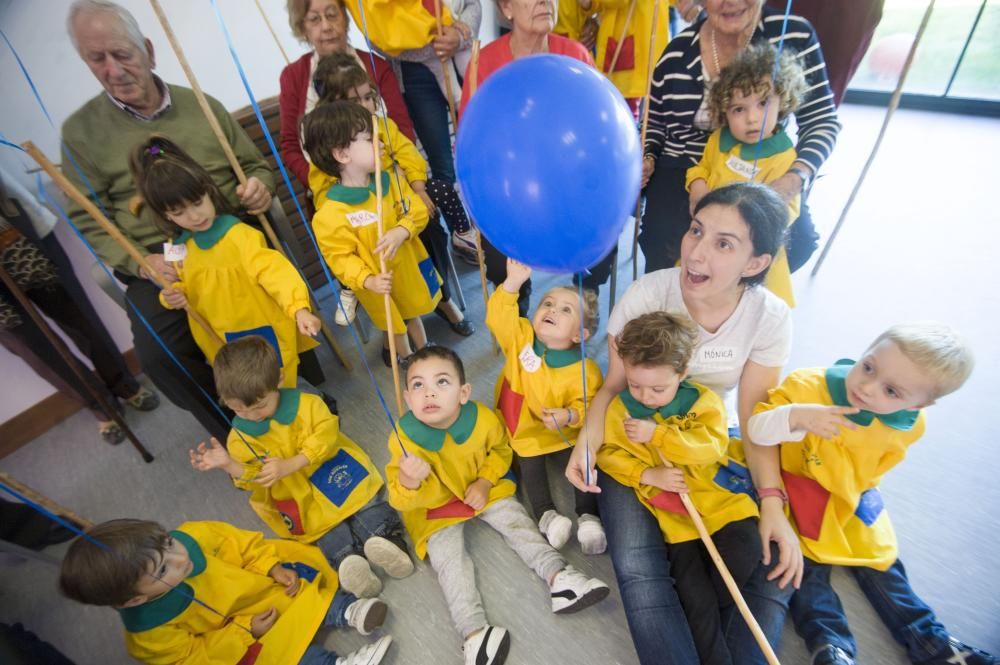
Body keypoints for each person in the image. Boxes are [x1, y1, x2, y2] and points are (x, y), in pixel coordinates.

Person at [565, 182, 799, 665]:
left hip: (707, 438)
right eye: (697, 230)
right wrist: (586, 444)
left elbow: (754, 417)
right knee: (638, 565)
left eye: (723, 243)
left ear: (756, 264)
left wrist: (773, 502)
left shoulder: (769, 317)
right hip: (633, 440)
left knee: (768, 560)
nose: (695, 251)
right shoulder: (647, 293)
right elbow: (612, 387)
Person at [62, 0, 276, 441]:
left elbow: (255, 166)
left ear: (149, 50)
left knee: (268, 300)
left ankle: (289, 398)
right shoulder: (80, 133)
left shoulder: (200, 103)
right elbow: (89, 217)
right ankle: (237, 430)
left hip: (228, 234)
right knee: (162, 355)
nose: (113, 69)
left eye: (122, 54)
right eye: (96, 58)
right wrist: (139, 261)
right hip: (160, 260)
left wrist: (258, 185)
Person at [746, 323, 997, 665]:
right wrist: (797, 417)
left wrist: (857, 497)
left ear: (923, 404)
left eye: (892, 391)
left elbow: (877, 467)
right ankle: (832, 647)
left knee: (883, 567)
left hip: (849, 499)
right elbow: (756, 431)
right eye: (868, 367)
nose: (866, 387)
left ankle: (933, 643)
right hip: (795, 493)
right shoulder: (806, 387)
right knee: (803, 574)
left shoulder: (909, 425)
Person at [385, 345, 610, 665]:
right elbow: (397, 497)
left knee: (517, 524)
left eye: (442, 382)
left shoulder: (483, 418)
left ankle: (559, 577)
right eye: (418, 385)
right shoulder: (402, 439)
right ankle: (473, 633)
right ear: (408, 398)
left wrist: (485, 481)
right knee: (451, 564)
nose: (429, 393)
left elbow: (501, 451)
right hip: (433, 509)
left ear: (464, 392)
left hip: (484, 488)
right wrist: (409, 481)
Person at [189, 336, 413, 600]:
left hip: (332, 470)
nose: (252, 415)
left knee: (367, 505)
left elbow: (326, 435)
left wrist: (293, 463)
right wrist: (229, 465)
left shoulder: (307, 404)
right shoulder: (240, 437)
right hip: (298, 497)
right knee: (326, 535)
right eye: (239, 410)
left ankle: (388, 542)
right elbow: (252, 478)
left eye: (260, 406)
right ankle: (349, 564)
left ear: (280, 380)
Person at [597, 311, 761, 665]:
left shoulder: (703, 402)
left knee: (747, 551)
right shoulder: (620, 410)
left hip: (722, 504)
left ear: (682, 373)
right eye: (635, 384)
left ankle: (702, 614)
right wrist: (646, 474)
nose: (645, 396)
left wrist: (659, 434)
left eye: (658, 388)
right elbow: (608, 456)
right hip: (678, 522)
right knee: (696, 598)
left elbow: (711, 448)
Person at [641, 0, 840, 275]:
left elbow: (822, 121)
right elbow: (653, 123)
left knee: (795, 244)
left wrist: (793, 179)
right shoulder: (676, 53)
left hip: (761, 166)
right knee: (667, 244)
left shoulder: (791, 34)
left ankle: (739, 307)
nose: (731, 2)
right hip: (686, 165)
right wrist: (648, 155)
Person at [59, 518, 393, 665]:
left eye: (168, 542)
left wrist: (271, 568)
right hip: (240, 637)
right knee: (275, 658)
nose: (180, 557)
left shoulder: (193, 537)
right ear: (136, 599)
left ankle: (349, 611)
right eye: (163, 569)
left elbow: (246, 545)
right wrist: (246, 632)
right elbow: (193, 659)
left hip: (261, 590)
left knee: (301, 586)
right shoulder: (148, 632)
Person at [128, 136, 321, 389]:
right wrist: (171, 296)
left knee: (282, 379)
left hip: (263, 328)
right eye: (179, 212)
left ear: (208, 192)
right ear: (166, 215)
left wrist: (298, 308)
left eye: (197, 203)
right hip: (221, 337)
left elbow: (275, 272)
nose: (195, 216)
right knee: (250, 385)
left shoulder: (240, 235)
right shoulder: (178, 249)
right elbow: (178, 286)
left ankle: (310, 410)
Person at [309, 52, 475, 336]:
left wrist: (417, 186)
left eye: (368, 96)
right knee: (376, 259)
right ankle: (394, 330)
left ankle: (442, 296)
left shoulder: (384, 126)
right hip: (365, 220)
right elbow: (325, 195)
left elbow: (408, 154)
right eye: (354, 100)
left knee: (432, 228)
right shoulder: (331, 146)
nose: (366, 105)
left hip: (404, 197)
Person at [280, 0, 417, 326]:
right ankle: (381, 312)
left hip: (386, 172)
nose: (326, 25)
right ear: (303, 27)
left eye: (332, 14)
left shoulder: (374, 65)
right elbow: (290, 145)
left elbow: (401, 131)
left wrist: (392, 173)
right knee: (345, 229)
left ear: (346, 17)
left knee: (416, 205)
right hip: (332, 183)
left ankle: (426, 299)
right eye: (314, 19)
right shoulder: (295, 76)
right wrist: (332, 180)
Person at [0, 168, 158, 445]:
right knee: (33, 347)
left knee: (78, 316)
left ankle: (123, 383)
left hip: (13, 232)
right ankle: (99, 405)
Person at [459, 0, 594, 316]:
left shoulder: (576, 55)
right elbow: (471, 140)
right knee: (502, 266)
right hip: (509, 189)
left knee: (594, 258)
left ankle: (577, 322)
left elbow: (591, 129)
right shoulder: (484, 63)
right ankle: (516, 320)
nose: (546, 2)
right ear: (506, 8)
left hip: (567, 184)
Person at [344, 0, 483, 262]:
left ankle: (492, 226)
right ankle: (463, 236)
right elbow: (378, 36)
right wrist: (430, 44)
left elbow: (472, 5)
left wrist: (460, 34)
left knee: (482, 147)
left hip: (465, 53)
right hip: (415, 73)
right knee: (442, 161)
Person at [302, 102, 440, 364]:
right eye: (368, 139)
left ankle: (426, 350)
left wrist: (403, 229)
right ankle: (408, 358)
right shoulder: (330, 215)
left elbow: (418, 211)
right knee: (394, 324)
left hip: (406, 271)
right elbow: (340, 259)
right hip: (378, 285)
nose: (380, 143)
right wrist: (367, 280)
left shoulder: (392, 181)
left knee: (414, 313)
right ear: (343, 155)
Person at [486, 258, 605, 553]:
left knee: (585, 459)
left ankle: (588, 515)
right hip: (525, 425)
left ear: (579, 335)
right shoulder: (522, 337)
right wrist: (512, 283)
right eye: (547, 303)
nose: (551, 310)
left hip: (565, 432)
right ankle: (546, 515)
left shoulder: (585, 370)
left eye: (566, 310)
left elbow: (589, 405)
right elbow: (499, 318)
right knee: (530, 464)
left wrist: (570, 415)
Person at [686, 42, 808, 307]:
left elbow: (787, 211)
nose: (752, 118)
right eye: (739, 109)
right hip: (709, 241)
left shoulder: (785, 157)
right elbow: (701, 167)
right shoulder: (719, 140)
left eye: (763, 104)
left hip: (751, 254)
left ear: (783, 101)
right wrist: (697, 184)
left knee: (747, 312)